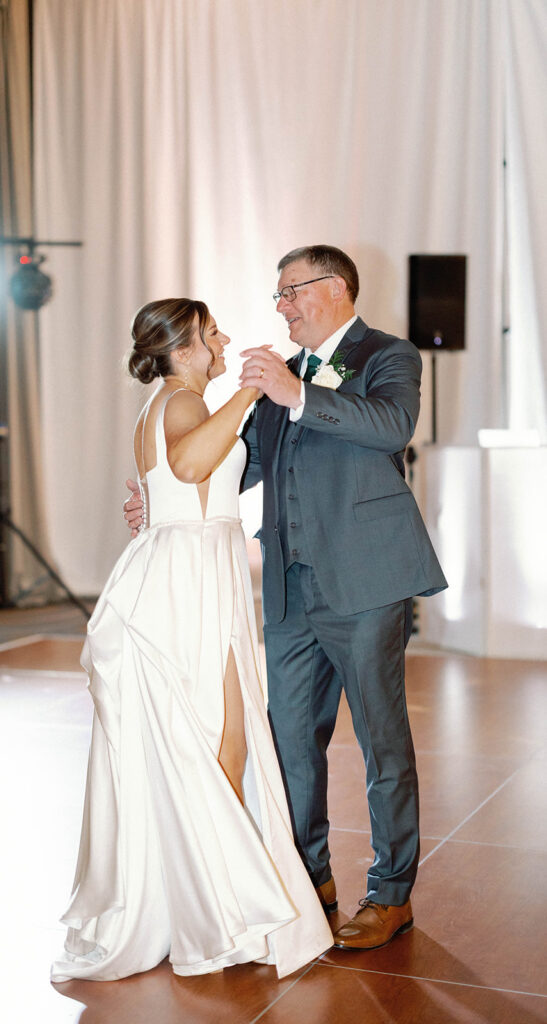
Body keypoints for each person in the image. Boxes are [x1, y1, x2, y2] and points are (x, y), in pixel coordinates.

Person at [125, 247, 447, 952]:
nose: (279, 307)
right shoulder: (283, 373)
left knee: (380, 740)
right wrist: (165, 501)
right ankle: (309, 879)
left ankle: (391, 895)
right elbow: (251, 463)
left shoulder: (387, 355)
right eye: (278, 296)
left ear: (332, 288)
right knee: (289, 741)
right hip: (287, 585)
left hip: (365, 582)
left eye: (289, 293)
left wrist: (298, 396)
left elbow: (390, 428)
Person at [51, 298, 334, 984]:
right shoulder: (179, 401)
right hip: (186, 586)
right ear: (183, 351)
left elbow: (177, 481)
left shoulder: (169, 402)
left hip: (193, 572)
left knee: (213, 740)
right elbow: (185, 468)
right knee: (218, 741)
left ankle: (206, 900)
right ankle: (219, 908)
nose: (224, 341)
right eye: (213, 336)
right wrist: (247, 388)